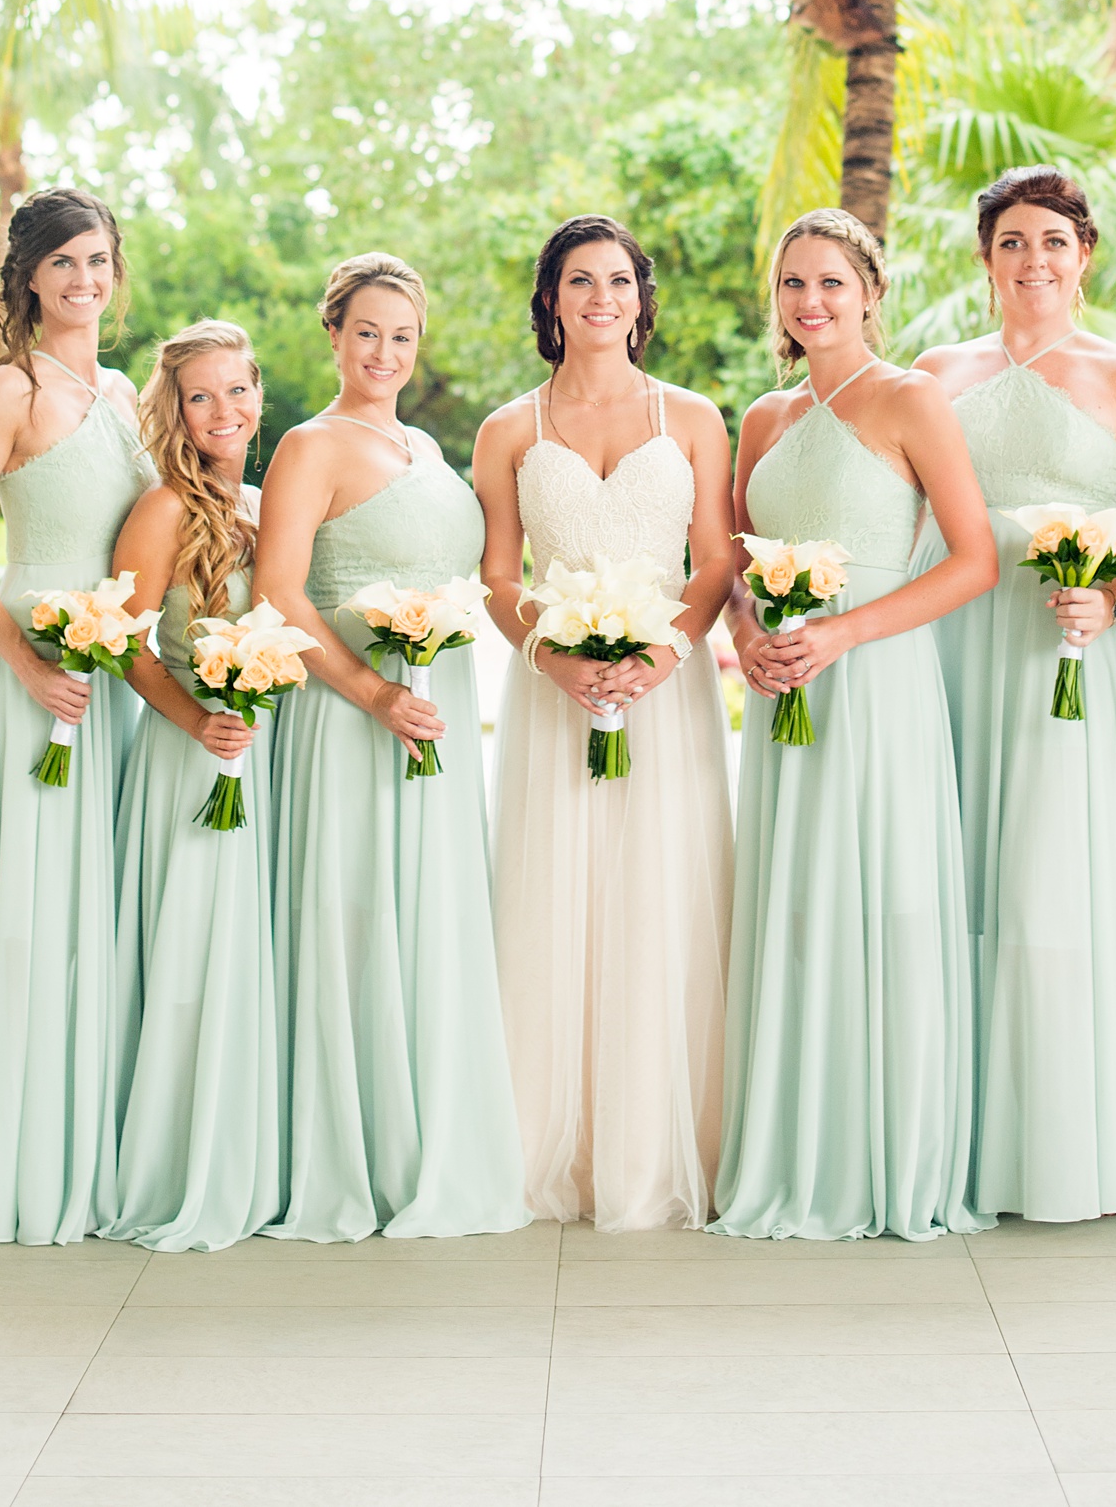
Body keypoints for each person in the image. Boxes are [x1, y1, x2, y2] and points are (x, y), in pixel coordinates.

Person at [715, 208, 998, 1240]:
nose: (810, 301)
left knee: (883, 895)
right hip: (786, 687)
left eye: (830, 281)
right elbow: (744, 568)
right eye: (793, 283)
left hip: (876, 681)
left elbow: (973, 559)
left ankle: (887, 1148)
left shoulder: (909, 398)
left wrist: (844, 635)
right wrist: (747, 634)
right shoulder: (762, 418)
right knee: (796, 900)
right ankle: (795, 1141)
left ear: (869, 290)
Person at [916, 164, 1116, 1221]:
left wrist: (1111, 602)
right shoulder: (933, 371)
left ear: (1084, 255)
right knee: (957, 862)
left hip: (1070, 648)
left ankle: (1067, 1138)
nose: (1033, 260)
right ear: (985, 258)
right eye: (1012, 241)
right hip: (952, 641)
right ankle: (953, 1128)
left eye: (1052, 241)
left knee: (1052, 867)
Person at [257, 252, 526, 1239]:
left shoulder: (422, 442)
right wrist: (372, 687)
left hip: (434, 706)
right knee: (357, 907)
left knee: (425, 912)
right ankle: (352, 1147)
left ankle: (429, 1133)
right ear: (332, 332)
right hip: (345, 714)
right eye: (366, 330)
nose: (383, 350)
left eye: (401, 335)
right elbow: (281, 589)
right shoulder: (308, 443)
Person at [477, 214, 736, 1231]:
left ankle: (659, 1144)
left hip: (665, 694)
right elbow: (499, 574)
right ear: (549, 299)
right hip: (553, 697)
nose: (600, 298)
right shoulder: (509, 429)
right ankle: (552, 1149)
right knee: (554, 898)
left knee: (660, 896)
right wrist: (555, 656)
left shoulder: (694, 417)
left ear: (641, 297)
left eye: (618, 281)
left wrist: (662, 654)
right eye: (578, 281)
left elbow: (713, 559)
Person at [0, 187, 152, 1242]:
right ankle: (17, 1162)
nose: (83, 279)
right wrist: (23, 662)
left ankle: (92, 1151)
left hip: (114, 674)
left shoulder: (120, 390)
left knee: (94, 911)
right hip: (35, 672)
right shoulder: (7, 390)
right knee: (31, 913)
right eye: (62, 262)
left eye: (98, 259)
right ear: (26, 278)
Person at [104, 321, 284, 1250]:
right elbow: (123, 640)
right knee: (189, 959)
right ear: (174, 410)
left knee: (245, 954)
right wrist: (195, 721)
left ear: (260, 392)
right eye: (200, 396)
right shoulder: (164, 507)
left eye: (238, 390)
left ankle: (248, 1150)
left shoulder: (262, 502)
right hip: (190, 756)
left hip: (260, 754)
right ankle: (179, 1161)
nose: (224, 411)